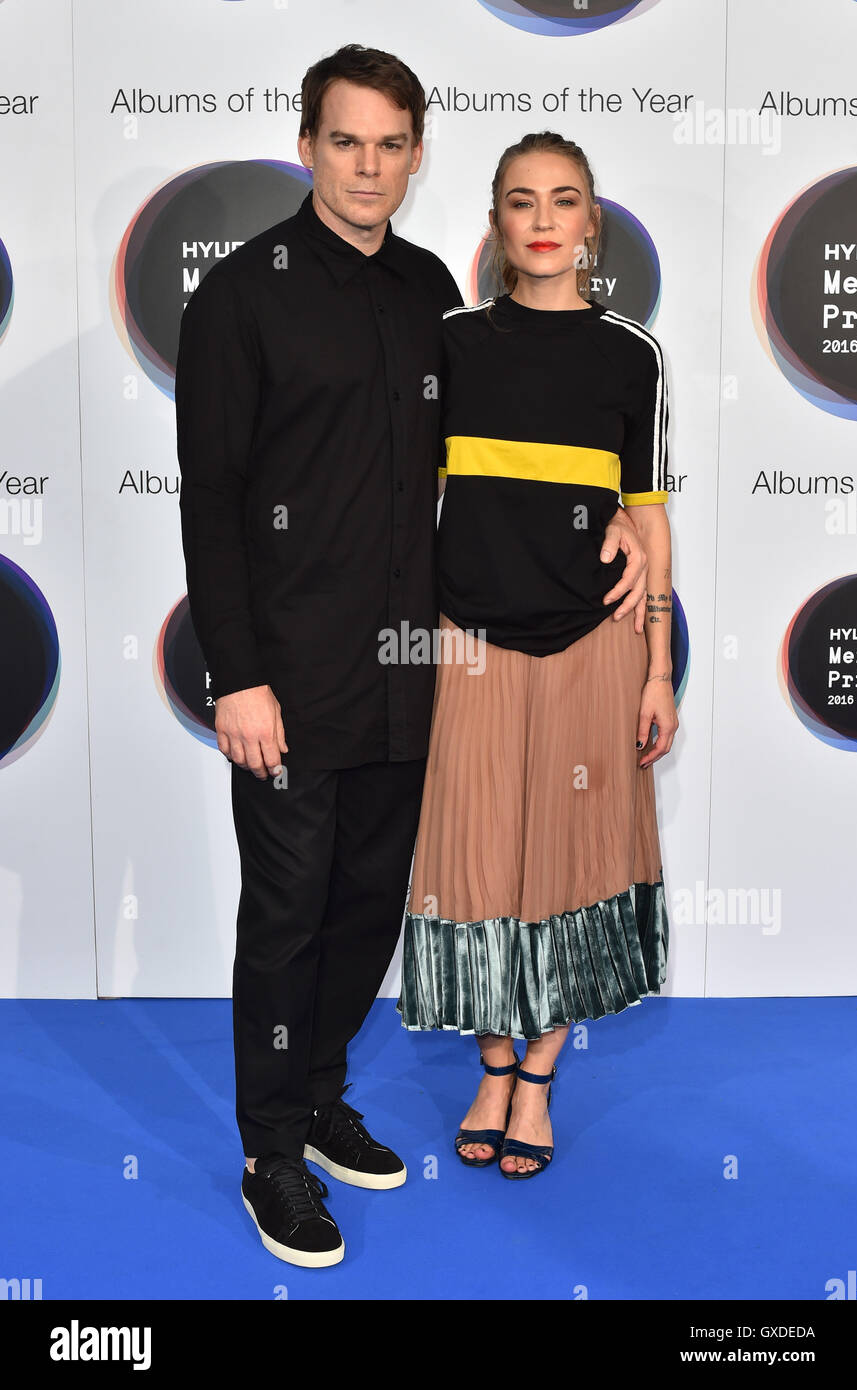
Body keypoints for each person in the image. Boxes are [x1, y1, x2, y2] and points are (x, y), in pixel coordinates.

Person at [176, 46, 648, 1267]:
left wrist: (611, 517)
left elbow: (520, 446)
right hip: (284, 679)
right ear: (307, 146)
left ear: (418, 155)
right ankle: (269, 1152)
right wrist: (238, 674)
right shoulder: (239, 294)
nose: (368, 165)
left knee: (366, 909)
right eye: (346, 141)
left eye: (391, 143)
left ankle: (323, 1095)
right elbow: (212, 497)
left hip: (414, 672)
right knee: (284, 917)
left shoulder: (434, 293)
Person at [398, 131, 677, 1180]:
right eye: (523, 201)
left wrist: (654, 664)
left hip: (592, 649)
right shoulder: (452, 345)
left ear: (591, 221)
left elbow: (646, 518)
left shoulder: (631, 354)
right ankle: (490, 1064)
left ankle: (539, 1081)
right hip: (469, 643)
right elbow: (402, 496)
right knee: (475, 862)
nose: (545, 218)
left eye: (565, 200)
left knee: (570, 861)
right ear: (496, 222)